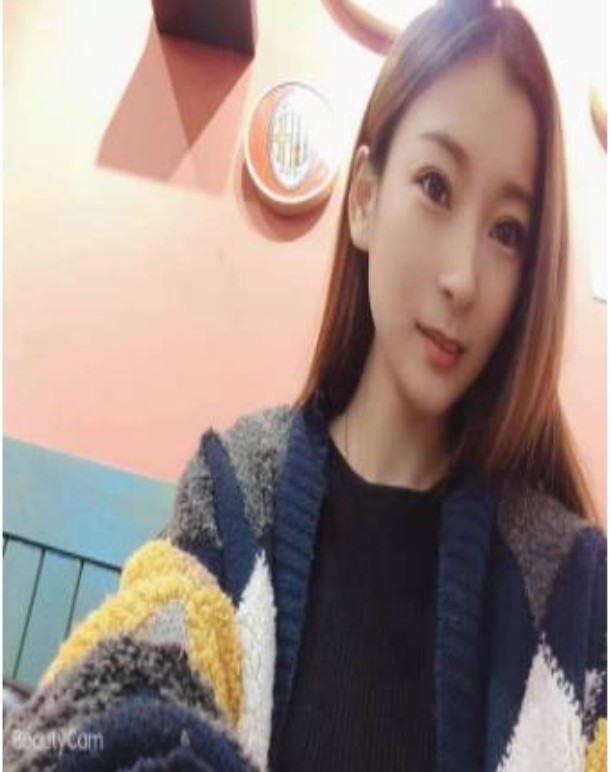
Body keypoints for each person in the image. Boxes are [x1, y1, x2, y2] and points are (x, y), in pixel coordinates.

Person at [4, 0, 607, 769]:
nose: (462, 278)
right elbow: (108, 702)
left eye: (507, 231)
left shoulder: (562, 584)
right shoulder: (236, 493)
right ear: (364, 201)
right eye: (435, 186)